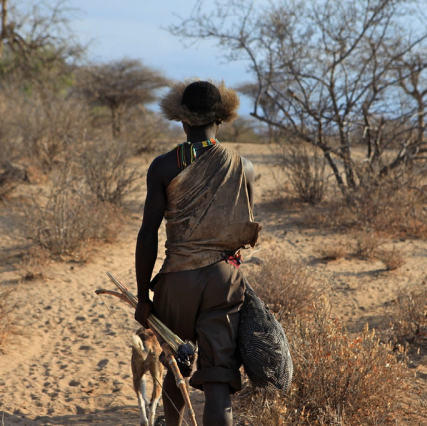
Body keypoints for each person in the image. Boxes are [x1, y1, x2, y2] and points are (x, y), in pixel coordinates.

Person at [134, 79, 261, 426]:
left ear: (181, 119)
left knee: (176, 367)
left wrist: (144, 295)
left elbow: (148, 235)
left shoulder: (163, 166)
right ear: (221, 118)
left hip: (177, 280)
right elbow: (244, 228)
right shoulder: (243, 167)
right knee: (218, 379)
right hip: (224, 280)